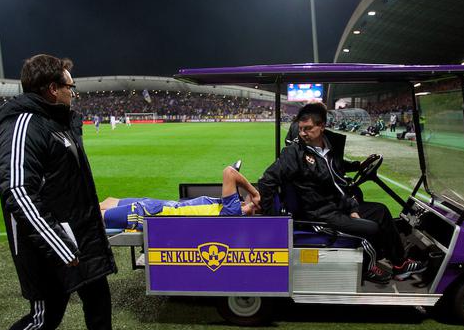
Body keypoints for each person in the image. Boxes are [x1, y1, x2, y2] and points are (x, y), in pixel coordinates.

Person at [0, 54, 137, 330]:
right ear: (52, 88)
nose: (74, 91)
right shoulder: (22, 124)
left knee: (97, 295)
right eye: (70, 85)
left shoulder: (58, 121)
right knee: (46, 317)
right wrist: (57, 241)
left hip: (79, 233)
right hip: (44, 240)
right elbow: (17, 191)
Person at [258, 103, 426, 284]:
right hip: (320, 214)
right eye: (300, 129)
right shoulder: (294, 153)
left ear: (321, 126)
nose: (302, 133)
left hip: (336, 206)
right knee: (371, 228)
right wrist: (272, 221)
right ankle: (367, 267)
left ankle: (399, 264)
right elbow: (266, 181)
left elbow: (336, 183)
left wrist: (352, 200)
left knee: (381, 212)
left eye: (308, 129)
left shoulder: (327, 151)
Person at [101, 166, 260, 230]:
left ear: (253, 207)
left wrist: (254, 193)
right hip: (158, 206)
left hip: (154, 215)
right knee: (109, 201)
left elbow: (229, 173)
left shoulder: (233, 212)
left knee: (98, 217)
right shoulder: (232, 209)